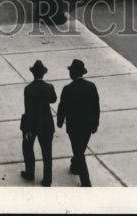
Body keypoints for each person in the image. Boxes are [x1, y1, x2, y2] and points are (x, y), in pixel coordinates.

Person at [57, 59, 100, 187]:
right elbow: (96, 107)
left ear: (73, 73)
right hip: (87, 126)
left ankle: (86, 183)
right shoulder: (91, 86)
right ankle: (75, 165)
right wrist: (95, 123)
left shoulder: (67, 89)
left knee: (79, 152)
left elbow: (62, 107)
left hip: (73, 127)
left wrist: (60, 121)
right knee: (80, 149)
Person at [20, 59, 57, 187]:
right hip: (47, 123)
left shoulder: (28, 89)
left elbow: (28, 110)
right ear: (43, 74)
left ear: (33, 74)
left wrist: (27, 129)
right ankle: (47, 179)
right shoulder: (49, 87)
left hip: (33, 124)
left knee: (27, 148)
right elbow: (53, 100)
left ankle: (30, 172)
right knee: (47, 152)